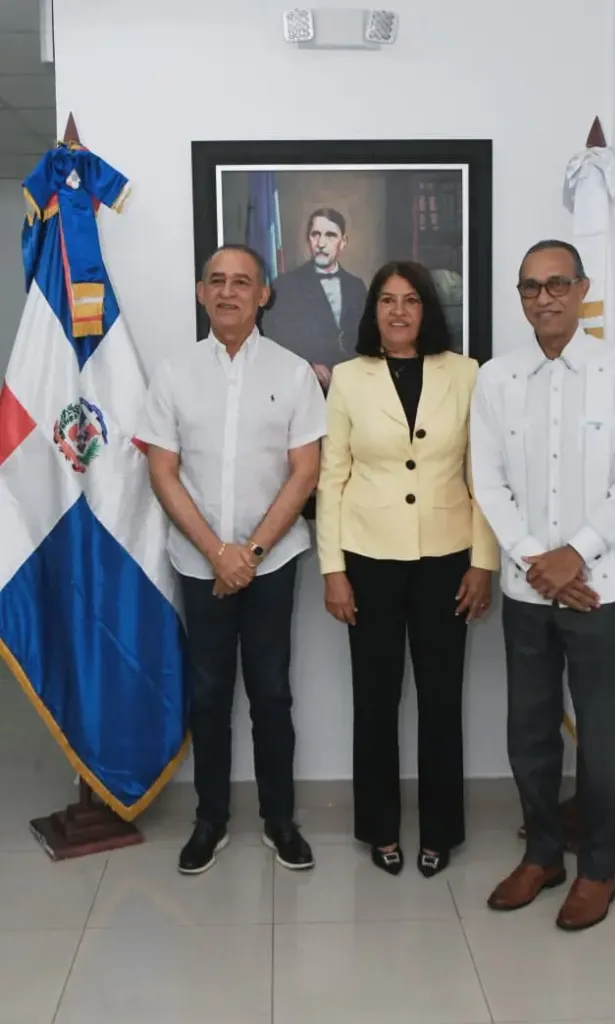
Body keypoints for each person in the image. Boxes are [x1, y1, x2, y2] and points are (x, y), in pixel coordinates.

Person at [470, 239, 615, 930]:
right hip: (529, 593)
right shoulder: (496, 377)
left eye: (556, 284)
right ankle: (542, 854)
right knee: (528, 732)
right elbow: (485, 480)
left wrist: (573, 556)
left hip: (602, 590)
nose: (543, 298)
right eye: (529, 287)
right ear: (519, 296)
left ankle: (598, 868)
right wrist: (533, 559)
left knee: (600, 738)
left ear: (580, 290)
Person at [138, 244, 326, 875]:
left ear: (263, 295)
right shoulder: (172, 374)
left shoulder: (295, 372)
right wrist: (217, 552)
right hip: (199, 564)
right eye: (216, 281)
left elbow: (305, 473)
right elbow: (162, 471)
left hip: (271, 564)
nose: (228, 292)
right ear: (200, 292)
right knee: (210, 694)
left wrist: (249, 553)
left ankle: (279, 819)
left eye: (242, 282)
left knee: (272, 694)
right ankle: (210, 819)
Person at [316, 260, 499, 878]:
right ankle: (380, 827)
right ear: (373, 312)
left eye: (411, 300)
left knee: (442, 701)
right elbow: (331, 476)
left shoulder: (466, 374)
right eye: (387, 300)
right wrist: (332, 570)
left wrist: (483, 562)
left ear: (428, 310)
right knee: (375, 700)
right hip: (368, 561)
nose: (399, 311)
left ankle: (441, 830)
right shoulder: (347, 378)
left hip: (447, 560)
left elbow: (483, 477)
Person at [260, 207, 367, 390]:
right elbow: (272, 340)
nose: (321, 243)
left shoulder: (356, 286)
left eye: (330, 235)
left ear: (343, 241)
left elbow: (365, 338)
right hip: (302, 387)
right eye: (315, 235)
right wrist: (307, 365)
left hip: (352, 387)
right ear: (308, 240)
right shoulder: (285, 286)